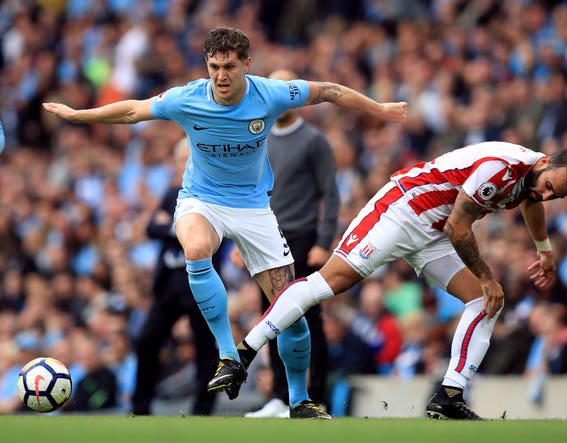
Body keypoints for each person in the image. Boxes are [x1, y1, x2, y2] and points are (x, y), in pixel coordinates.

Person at [42, 26, 407, 419]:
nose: (221, 76)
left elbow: (330, 91)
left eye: (229, 66)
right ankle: (229, 355)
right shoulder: (188, 98)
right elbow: (134, 110)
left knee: (292, 313)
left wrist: (380, 109)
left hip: (254, 209)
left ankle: (300, 401)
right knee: (196, 248)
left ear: (246, 65)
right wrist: (82, 116)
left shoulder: (271, 93)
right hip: (202, 200)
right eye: (214, 66)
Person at [209, 141, 567, 420]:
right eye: (550, 184)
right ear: (544, 161)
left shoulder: (530, 180)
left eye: (556, 195)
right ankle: (241, 353)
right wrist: (488, 276)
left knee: (486, 301)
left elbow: (530, 202)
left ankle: (449, 395)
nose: (545, 194)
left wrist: (544, 248)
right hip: (402, 211)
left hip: (434, 232)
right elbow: (461, 227)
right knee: (329, 284)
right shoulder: (500, 169)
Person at [243, 69, 339, 418]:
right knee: (272, 319)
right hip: (265, 240)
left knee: (309, 319)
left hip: (302, 238)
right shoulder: (261, 138)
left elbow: (330, 193)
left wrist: (323, 241)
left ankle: (316, 395)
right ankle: (282, 398)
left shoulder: (314, 141)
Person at [130, 137, 218, 416]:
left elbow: (209, 236)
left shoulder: (213, 195)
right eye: (181, 160)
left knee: (204, 346)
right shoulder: (171, 194)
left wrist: (171, 228)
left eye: (187, 160)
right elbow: (150, 229)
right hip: (169, 281)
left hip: (200, 280)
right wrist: (180, 230)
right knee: (147, 340)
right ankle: (140, 405)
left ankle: (203, 409)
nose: (182, 166)